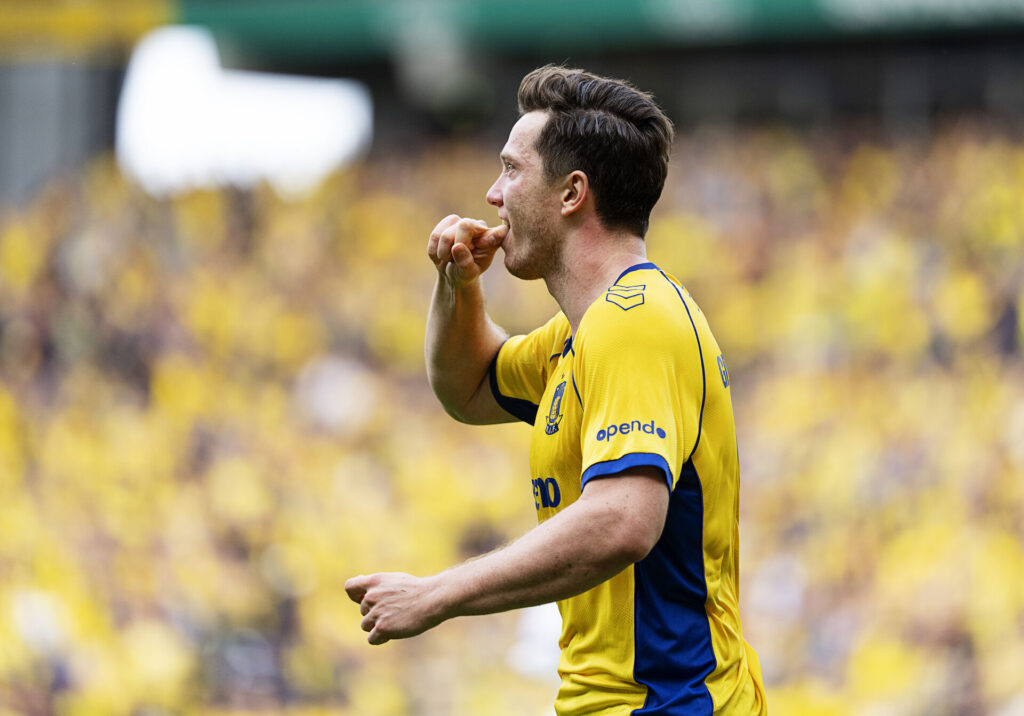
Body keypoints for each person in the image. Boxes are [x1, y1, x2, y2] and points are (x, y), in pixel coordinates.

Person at [346, 65, 767, 715]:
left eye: (511, 170)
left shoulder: (636, 321)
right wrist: (458, 286)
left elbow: (623, 521)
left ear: (572, 193)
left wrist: (437, 595)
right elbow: (467, 387)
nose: (493, 195)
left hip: (671, 704)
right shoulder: (579, 335)